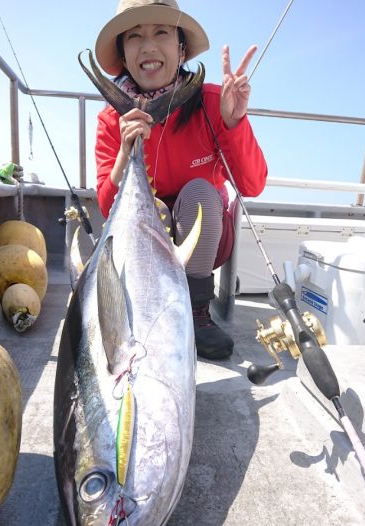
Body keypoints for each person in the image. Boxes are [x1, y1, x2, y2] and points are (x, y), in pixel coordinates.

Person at [94, 0, 268, 360]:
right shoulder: (113, 118)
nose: (148, 46)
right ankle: (146, 306)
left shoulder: (214, 102)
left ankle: (196, 311)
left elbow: (252, 185)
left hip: (205, 242)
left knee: (201, 193)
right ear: (124, 55)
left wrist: (234, 124)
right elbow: (108, 207)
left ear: (181, 48)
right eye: (135, 36)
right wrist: (126, 151)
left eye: (161, 32)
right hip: (145, 240)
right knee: (151, 207)